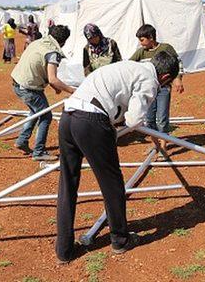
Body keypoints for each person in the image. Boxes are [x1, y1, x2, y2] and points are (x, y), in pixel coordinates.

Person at [55, 51, 180, 263]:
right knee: (112, 184)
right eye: (166, 84)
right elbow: (134, 119)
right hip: (91, 120)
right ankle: (120, 239)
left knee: (67, 183)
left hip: (68, 116)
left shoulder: (130, 66)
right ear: (165, 77)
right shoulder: (149, 80)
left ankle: (64, 251)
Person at [10, 25, 76, 161]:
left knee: (36, 112)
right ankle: (39, 152)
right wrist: (72, 90)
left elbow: (40, 68)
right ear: (63, 41)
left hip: (18, 83)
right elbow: (53, 79)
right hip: (29, 88)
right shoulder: (52, 52)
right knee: (45, 116)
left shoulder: (39, 42)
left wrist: (56, 87)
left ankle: (22, 140)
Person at [129, 24, 184, 153]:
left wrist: (178, 78)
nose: (140, 43)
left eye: (142, 40)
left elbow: (178, 63)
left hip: (163, 88)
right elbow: (130, 65)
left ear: (151, 38)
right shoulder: (141, 52)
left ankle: (164, 145)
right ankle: (156, 144)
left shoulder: (166, 48)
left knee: (162, 118)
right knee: (149, 119)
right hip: (148, 90)